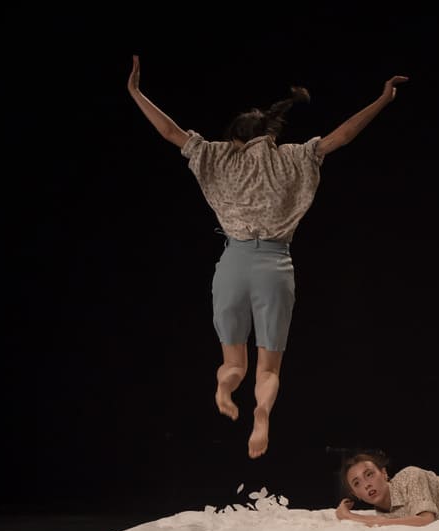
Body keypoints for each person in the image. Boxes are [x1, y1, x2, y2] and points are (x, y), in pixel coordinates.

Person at [127, 55, 408, 459]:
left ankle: (225, 385)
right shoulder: (294, 157)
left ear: (236, 137)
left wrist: (136, 92)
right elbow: (344, 134)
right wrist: (382, 99)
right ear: (268, 135)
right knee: (269, 369)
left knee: (233, 364)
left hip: (233, 265)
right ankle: (262, 413)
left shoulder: (217, 156)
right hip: (275, 267)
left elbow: (169, 131)